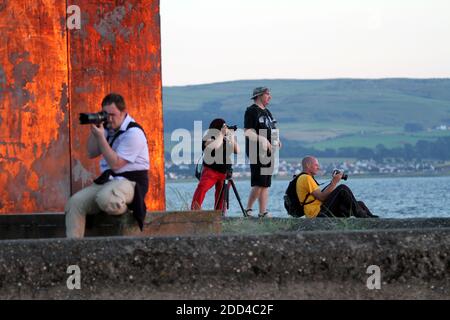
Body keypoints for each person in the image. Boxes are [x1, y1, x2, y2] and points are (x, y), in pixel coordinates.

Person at [65, 93, 149, 238]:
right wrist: (96, 131)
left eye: (113, 115)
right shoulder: (108, 129)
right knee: (74, 203)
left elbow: (116, 164)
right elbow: (91, 152)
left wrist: (101, 138)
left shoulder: (134, 133)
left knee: (105, 198)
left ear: (123, 113)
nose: (109, 119)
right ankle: (74, 246)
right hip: (109, 181)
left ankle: (128, 210)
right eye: (105, 114)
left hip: (130, 183)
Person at [296, 156, 378, 218]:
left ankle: (372, 219)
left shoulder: (305, 178)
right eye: (316, 165)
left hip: (320, 210)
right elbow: (322, 197)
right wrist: (335, 182)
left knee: (358, 204)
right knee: (342, 188)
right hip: (317, 213)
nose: (319, 167)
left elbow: (320, 195)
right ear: (308, 165)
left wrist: (333, 181)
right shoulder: (306, 178)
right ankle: (363, 216)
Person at [244, 87, 281, 218]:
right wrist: (262, 139)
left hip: (269, 152)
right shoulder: (251, 111)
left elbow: (273, 128)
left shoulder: (267, 112)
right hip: (256, 151)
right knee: (259, 182)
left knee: (266, 183)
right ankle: (248, 209)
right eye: (267, 94)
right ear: (259, 96)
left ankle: (262, 212)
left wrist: (277, 140)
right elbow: (248, 131)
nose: (270, 97)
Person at [191, 118, 239, 211]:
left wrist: (231, 136)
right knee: (202, 189)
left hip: (225, 172)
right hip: (211, 171)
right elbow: (216, 146)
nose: (225, 129)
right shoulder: (208, 139)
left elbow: (237, 150)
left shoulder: (225, 139)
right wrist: (221, 134)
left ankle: (219, 215)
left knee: (221, 196)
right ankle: (194, 210)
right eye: (223, 126)